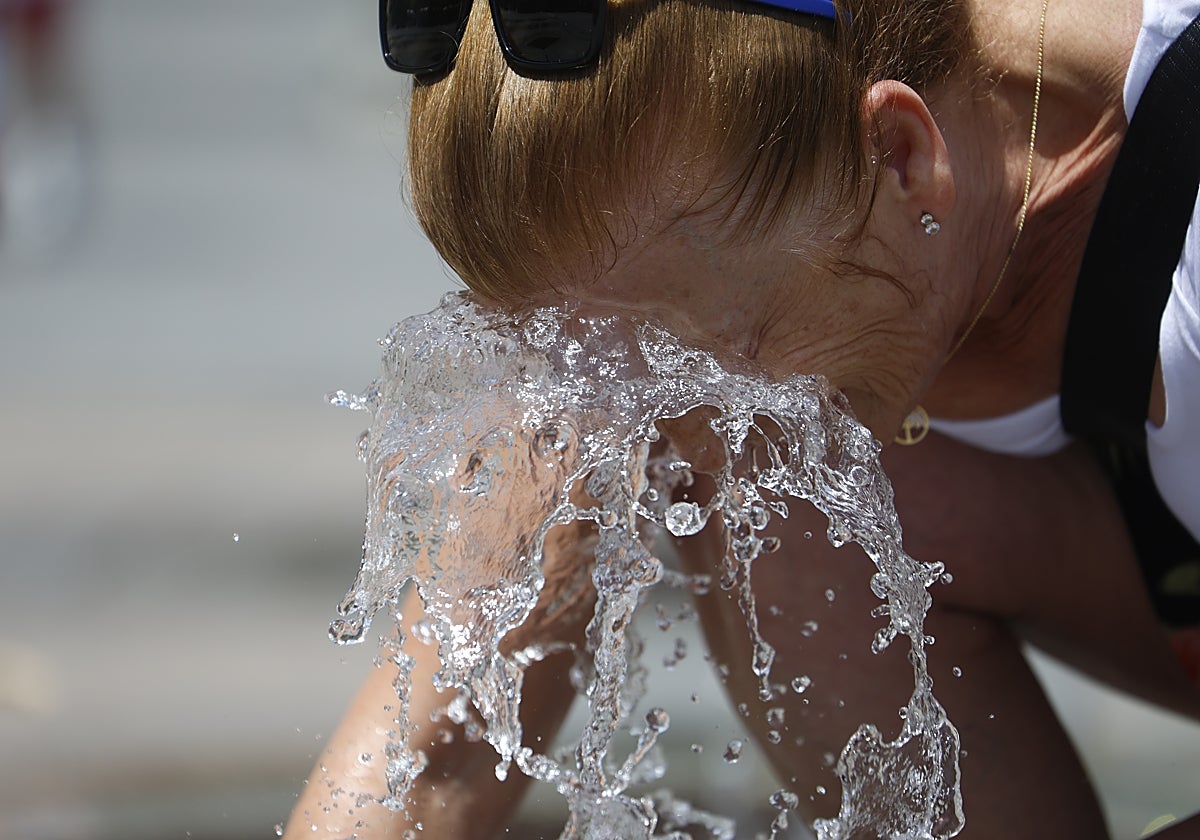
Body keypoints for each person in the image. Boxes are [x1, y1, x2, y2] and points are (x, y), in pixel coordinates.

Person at [286, 0, 1200, 836]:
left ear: (899, 154)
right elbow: (428, 755)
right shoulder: (650, 260)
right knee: (772, 495)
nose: (675, 427)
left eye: (707, 357)